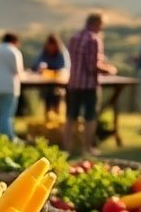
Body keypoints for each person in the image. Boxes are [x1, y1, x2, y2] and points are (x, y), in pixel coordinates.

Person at [63, 13, 116, 156]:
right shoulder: (94, 40)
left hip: (73, 83)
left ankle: (66, 148)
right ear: (97, 23)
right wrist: (109, 69)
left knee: (70, 117)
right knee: (90, 118)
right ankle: (87, 148)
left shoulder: (74, 38)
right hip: (89, 85)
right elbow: (92, 66)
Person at [0, 32, 24, 139]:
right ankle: (9, 137)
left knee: (1, 113)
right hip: (10, 85)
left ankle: (1, 135)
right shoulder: (14, 51)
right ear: (14, 41)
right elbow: (17, 70)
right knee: (8, 114)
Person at [33, 33, 70, 119]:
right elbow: (36, 64)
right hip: (46, 83)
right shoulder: (44, 52)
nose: (51, 49)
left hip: (59, 82)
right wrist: (40, 67)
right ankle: (48, 119)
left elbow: (64, 67)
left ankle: (56, 119)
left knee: (56, 98)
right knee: (47, 99)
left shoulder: (62, 53)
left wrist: (54, 70)